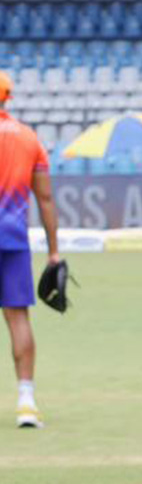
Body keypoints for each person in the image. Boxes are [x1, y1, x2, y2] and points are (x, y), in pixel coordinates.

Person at [0, 71, 60, 429]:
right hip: (13, 239)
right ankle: (26, 402)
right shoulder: (29, 137)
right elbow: (46, 199)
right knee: (18, 317)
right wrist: (54, 252)